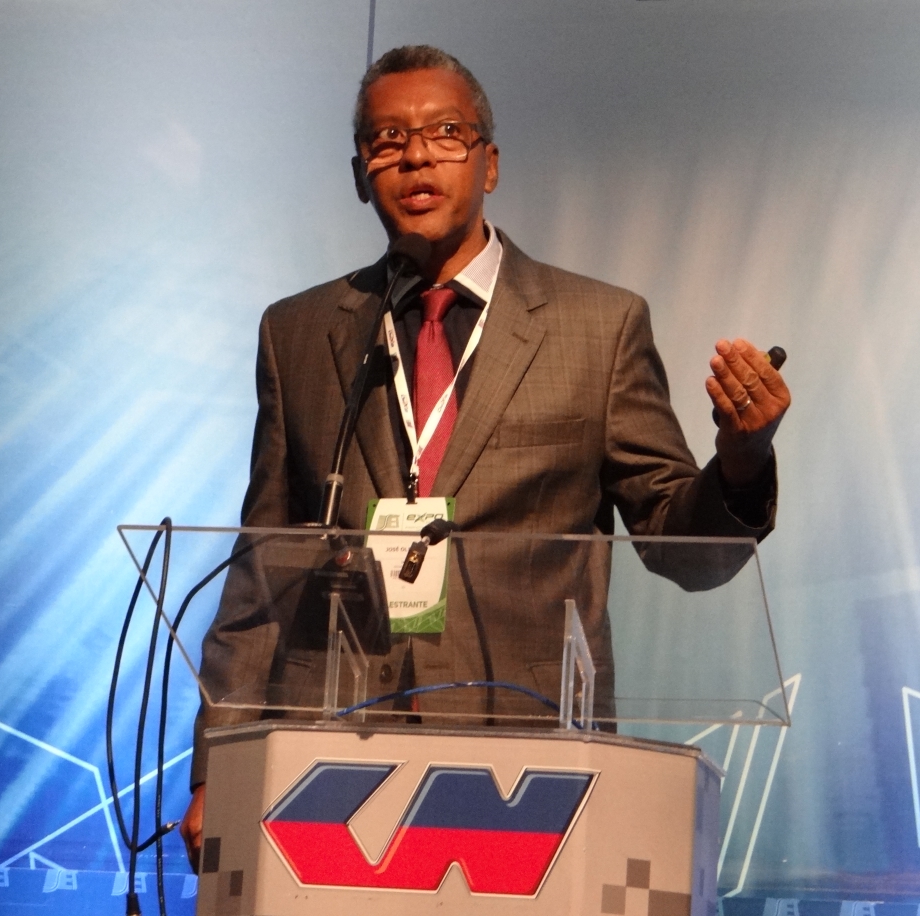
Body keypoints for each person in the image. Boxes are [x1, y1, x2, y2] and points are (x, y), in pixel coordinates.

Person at [180, 44, 790, 870]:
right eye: (387, 140)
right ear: (360, 174)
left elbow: (683, 548)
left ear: (490, 163)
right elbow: (262, 574)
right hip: (326, 767)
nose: (416, 156)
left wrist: (743, 460)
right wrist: (217, 762)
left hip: (525, 762)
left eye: (445, 133)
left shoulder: (597, 327)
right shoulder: (299, 332)